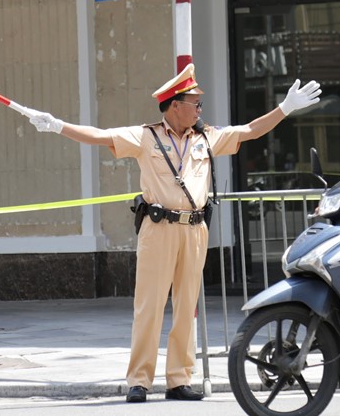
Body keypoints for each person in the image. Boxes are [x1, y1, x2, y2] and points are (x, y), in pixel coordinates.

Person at [27, 63, 321, 402]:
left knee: (186, 308)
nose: (199, 108)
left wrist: (285, 108)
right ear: (174, 105)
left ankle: (179, 379)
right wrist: (57, 125)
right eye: (194, 102)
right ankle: (139, 380)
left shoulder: (206, 137)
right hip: (159, 228)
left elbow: (250, 131)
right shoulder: (146, 136)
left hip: (194, 229)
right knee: (149, 306)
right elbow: (100, 135)